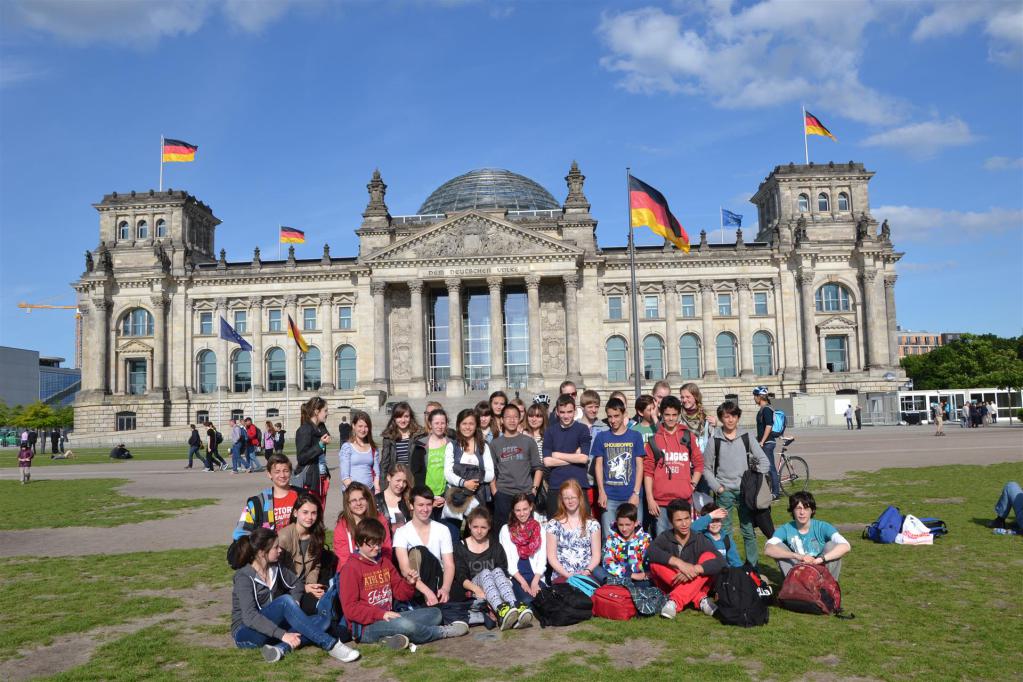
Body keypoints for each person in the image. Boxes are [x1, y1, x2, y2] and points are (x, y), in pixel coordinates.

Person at [231, 528, 360, 663]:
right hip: (246, 633)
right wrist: (282, 634)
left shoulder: (276, 567)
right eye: (276, 547)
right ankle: (331, 645)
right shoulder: (243, 576)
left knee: (322, 620)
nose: (280, 550)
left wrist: (295, 603)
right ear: (262, 552)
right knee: (285, 601)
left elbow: (297, 584)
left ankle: (279, 649)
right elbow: (250, 617)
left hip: (270, 629)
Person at [339, 518, 469, 650]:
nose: (376, 548)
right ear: (359, 543)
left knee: (435, 614)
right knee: (406, 626)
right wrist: (381, 614)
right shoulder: (350, 569)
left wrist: (409, 583)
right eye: (371, 545)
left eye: (378, 544)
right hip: (365, 627)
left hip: (390, 617)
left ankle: (389, 640)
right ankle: (441, 632)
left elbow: (400, 594)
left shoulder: (384, 562)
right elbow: (350, 609)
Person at [701, 400, 771, 568]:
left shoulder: (747, 437)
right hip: (724, 493)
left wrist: (754, 482)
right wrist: (718, 487)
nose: (730, 420)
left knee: (748, 530)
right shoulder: (714, 440)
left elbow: (764, 461)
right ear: (721, 418)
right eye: (726, 416)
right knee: (725, 531)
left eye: (733, 416)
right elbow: (706, 468)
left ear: (738, 417)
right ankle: (730, 565)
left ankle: (752, 566)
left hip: (745, 493)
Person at [456, 506, 534, 630]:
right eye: (475, 527)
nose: (479, 531)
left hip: (497, 590)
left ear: (489, 528)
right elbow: (461, 576)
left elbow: (503, 571)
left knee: (497, 571)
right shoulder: (461, 547)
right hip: (474, 589)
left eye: (483, 527)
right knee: (486, 572)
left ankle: (513, 607)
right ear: (469, 525)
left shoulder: (495, 546)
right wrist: (478, 589)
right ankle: (501, 611)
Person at [648, 499, 725, 619]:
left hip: (696, 581)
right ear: (671, 522)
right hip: (673, 580)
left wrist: (695, 569)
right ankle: (700, 599)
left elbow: (720, 561)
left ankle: (674, 602)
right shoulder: (665, 537)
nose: (684, 524)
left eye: (687, 518)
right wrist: (679, 563)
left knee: (709, 557)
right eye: (679, 520)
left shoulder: (699, 538)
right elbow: (651, 552)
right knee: (655, 564)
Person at [644, 396, 703, 536]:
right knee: (663, 540)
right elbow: (648, 472)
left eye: (674, 415)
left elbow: (699, 464)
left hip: (683, 500)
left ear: (679, 414)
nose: (671, 418)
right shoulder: (654, 440)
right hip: (660, 502)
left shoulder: (688, 436)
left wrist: (692, 485)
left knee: (683, 539)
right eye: (667, 415)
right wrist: (650, 499)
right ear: (661, 414)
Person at [231, 454, 305, 563]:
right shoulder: (258, 503)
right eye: (277, 472)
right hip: (269, 560)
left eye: (286, 470)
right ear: (269, 474)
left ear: (291, 472)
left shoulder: (303, 497)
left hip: (299, 557)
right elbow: (240, 533)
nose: (282, 475)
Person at [764, 491, 851, 580]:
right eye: (798, 508)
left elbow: (846, 545)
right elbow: (768, 549)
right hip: (797, 570)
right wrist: (797, 556)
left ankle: (827, 588)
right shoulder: (786, 529)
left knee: (833, 545)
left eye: (806, 508)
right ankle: (793, 587)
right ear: (792, 510)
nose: (802, 512)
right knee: (778, 546)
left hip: (820, 570)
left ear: (812, 510)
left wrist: (820, 559)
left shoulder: (822, 526)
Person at [393, 486, 457, 606]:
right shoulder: (401, 532)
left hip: (438, 579)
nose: (425, 509)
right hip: (417, 584)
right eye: (420, 505)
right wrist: (427, 592)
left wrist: (445, 589)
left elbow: (449, 564)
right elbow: (405, 569)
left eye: (428, 504)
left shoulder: (443, 529)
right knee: (419, 551)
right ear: (411, 506)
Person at [593, 397, 646, 541]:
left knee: (635, 536)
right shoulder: (602, 437)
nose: (613, 420)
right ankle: (611, 563)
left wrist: (636, 493)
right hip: (609, 496)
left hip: (631, 495)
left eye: (616, 416)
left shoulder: (635, 436)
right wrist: (601, 491)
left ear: (624, 415)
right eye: (609, 416)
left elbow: (640, 465)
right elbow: (598, 465)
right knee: (610, 537)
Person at [490, 403, 543, 532]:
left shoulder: (528, 441)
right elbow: (492, 471)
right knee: (503, 532)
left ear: (520, 418)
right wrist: (495, 492)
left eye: (515, 417)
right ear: (502, 420)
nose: (512, 420)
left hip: (525, 494)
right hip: (503, 494)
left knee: (526, 533)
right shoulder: (495, 443)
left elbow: (538, 468)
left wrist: (534, 490)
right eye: (508, 417)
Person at [442, 409, 494, 535]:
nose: (467, 427)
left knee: (476, 533)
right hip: (456, 496)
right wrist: (464, 482)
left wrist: (473, 481)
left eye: (471, 423)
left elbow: (490, 474)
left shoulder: (483, 446)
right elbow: (448, 473)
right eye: (464, 423)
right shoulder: (452, 446)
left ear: (476, 425)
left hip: (477, 496)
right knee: (452, 534)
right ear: (458, 425)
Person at [277, 492, 330, 615]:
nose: (309, 517)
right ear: (295, 513)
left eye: (313, 513)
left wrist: (312, 586)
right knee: (315, 608)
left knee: (326, 601)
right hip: (288, 589)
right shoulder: (283, 537)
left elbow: (315, 566)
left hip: (307, 584)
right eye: (305, 512)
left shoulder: (317, 535)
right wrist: (304, 588)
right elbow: (278, 573)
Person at [545, 480, 605, 584]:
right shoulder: (553, 525)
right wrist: (568, 575)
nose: (570, 501)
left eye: (573, 497)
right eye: (566, 498)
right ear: (562, 500)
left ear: (580, 497)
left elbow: (596, 556)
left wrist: (587, 571)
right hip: (562, 576)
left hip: (586, 575)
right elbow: (552, 557)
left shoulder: (593, 525)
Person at [542, 394, 592, 518]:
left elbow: (584, 458)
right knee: (555, 526)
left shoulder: (583, 429)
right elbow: (547, 461)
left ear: (575, 411)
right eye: (562, 412)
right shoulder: (550, 431)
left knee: (583, 526)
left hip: (579, 484)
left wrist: (557, 455)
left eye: (569, 412)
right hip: (556, 486)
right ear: (557, 412)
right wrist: (574, 457)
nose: (566, 416)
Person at [498, 493, 547, 604]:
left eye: (525, 509)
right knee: (527, 601)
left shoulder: (539, 528)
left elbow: (542, 558)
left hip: (535, 575)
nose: (522, 513)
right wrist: (523, 583)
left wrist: (535, 581)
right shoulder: (505, 530)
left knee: (543, 600)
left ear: (530, 507)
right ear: (513, 511)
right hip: (516, 577)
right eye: (518, 510)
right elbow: (508, 561)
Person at [333, 482, 392, 570]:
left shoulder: (379, 519)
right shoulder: (342, 526)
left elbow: (386, 549)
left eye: (362, 499)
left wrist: (382, 568)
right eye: (353, 500)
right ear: (348, 504)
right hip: (352, 571)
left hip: (378, 568)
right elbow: (343, 559)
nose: (358, 503)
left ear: (368, 500)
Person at [412, 409, 451, 522]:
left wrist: (445, 496)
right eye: (436, 423)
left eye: (442, 423)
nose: (440, 426)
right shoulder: (421, 444)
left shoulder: (451, 444)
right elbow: (416, 471)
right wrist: (428, 497)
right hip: (426, 495)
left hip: (445, 495)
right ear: (430, 424)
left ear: (446, 424)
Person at [293, 397, 332, 504]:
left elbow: (321, 457)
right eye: (325, 410)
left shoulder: (319, 428)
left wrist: (326, 475)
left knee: (319, 515)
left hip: (321, 478)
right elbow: (302, 458)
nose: (327, 413)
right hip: (310, 481)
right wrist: (320, 445)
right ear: (316, 411)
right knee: (312, 516)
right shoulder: (304, 430)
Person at [602, 502, 651, 584]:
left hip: (640, 577)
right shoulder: (612, 538)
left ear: (636, 523)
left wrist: (639, 574)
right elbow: (607, 562)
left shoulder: (645, 538)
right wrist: (629, 574)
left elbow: (647, 561)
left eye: (628, 525)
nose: (624, 529)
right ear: (616, 523)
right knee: (598, 571)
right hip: (619, 576)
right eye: (620, 525)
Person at [339, 410, 380, 493]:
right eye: (360, 426)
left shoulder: (373, 448)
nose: (363, 429)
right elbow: (345, 477)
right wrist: (357, 493)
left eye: (366, 426)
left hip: (369, 491)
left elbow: (376, 473)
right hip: (352, 492)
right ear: (354, 426)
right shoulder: (347, 447)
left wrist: (377, 489)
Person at [691, 503, 743, 568]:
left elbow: (735, 562)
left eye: (717, 520)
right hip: (706, 573)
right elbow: (691, 528)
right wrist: (710, 516)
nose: (714, 524)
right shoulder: (701, 537)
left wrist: (741, 573)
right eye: (711, 521)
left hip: (723, 574)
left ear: (721, 521)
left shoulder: (726, 540)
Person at [752, 386, 782, 499]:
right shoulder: (762, 409)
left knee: (770, 468)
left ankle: (775, 493)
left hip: (768, 443)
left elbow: (768, 426)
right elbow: (762, 428)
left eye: (755, 396)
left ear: (760, 397)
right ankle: (762, 490)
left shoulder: (767, 409)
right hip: (763, 442)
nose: (754, 398)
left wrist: (762, 441)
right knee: (761, 467)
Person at [380, 402, 423, 474]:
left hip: (415, 477)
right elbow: (385, 462)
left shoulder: (419, 435)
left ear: (410, 417)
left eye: (406, 416)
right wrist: (383, 483)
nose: (403, 420)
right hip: (397, 477)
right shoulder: (389, 436)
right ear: (394, 418)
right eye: (399, 417)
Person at [376, 464, 413, 539]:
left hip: (405, 546)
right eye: (398, 480)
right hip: (384, 546)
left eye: (405, 481)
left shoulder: (408, 499)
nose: (401, 485)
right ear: (389, 477)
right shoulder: (375, 500)